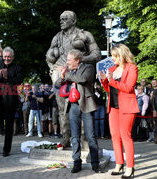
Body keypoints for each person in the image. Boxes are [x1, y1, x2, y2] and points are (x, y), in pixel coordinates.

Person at [46, 10, 101, 147]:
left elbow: (97, 54)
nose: (61, 21)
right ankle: (66, 138)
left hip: (79, 73)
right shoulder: (56, 37)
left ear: (73, 21)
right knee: (62, 108)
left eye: (65, 19)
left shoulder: (85, 35)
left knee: (82, 105)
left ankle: (84, 139)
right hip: (62, 76)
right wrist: (52, 69)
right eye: (60, 19)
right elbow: (48, 56)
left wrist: (80, 60)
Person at [56, 49, 100, 173]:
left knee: (90, 135)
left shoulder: (89, 68)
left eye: (69, 60)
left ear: (77, 60)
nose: (67, 62)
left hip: (86, 104)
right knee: (74, 136)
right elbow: (57, 84)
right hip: (73, 106)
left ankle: (95, 163)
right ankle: (77, 162)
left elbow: (83, 79)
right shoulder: (68, 71)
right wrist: (62, 75)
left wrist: (67, 74)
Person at [99, 44, 139, 178]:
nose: (112, 58)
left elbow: (128, 88)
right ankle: (119, 164)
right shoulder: (112, 68)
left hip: (127, 107)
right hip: (113, 107)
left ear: (121, 55)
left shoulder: (132, 68)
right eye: (111, 55)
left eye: (114, 55)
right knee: (115, 136)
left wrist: (111, 81)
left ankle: (130, 167)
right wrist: (104, 81)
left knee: (125, 136)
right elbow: (108, 90)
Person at [0, 43, 23, 157]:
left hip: (10, 100)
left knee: (9, 126)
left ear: (13, 57)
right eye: (5, 56)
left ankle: (6, 149)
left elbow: (19, 80)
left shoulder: (17, 68)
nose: (6, 58)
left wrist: (7, 77)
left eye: (9, 57)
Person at [150, 79, 157, 143]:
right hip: (154, 110)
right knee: (155, 125)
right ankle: (155, 139)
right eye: (153, 82)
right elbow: (152, 102)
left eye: (155, 82)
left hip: (155, 109)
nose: (154, 83)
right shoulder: (151, 91)